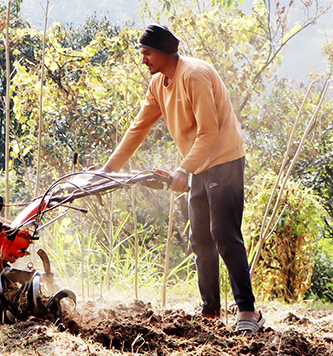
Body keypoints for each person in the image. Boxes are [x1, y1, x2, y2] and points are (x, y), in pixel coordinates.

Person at [102, 24, 265, 333]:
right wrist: (109, 168)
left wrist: (184, 169)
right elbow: (139, 128)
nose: (144, 59)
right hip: (198, 164)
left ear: (164, 52)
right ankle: (211, 312)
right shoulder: (158, 85)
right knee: (201, 238)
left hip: (224, 159)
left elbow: (210, 130)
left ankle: (248, 311)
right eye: (142, 53)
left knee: (224, 234)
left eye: (147, 53)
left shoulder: (195, 75)